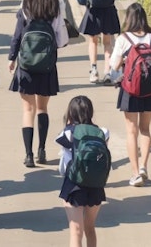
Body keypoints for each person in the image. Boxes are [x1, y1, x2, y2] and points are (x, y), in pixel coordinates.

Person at [8, 0, 70, 167]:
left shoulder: (25, 3)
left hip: (26, 63)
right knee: (42, 108)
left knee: (28, 109)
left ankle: (28, 155)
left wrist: (12, 57)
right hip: (47, 64)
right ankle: (42, 150)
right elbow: (61, 38)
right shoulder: (57, 3)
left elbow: (18, 34)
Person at [108, 3, 151, 187]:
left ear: (129, 19)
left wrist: (124, 60)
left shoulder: (124, 38)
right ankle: (144, 167)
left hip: (130, 90)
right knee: (145, 129)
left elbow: (114, 66)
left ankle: (135, 173)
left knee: (131, 131)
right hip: (150, 89)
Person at [56, 95, 109, 246]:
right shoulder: (103, 132)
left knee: (76, 230)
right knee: (90, 228)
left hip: (74, 185)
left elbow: (64, 158)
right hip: (96, 184)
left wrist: (68, 125)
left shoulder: (68, 132)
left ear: (70, 113)